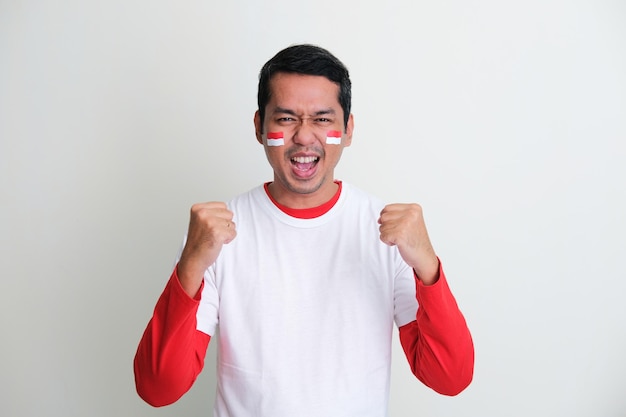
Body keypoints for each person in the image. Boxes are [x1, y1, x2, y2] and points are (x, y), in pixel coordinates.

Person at [134, 44, 474, 416]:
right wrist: (190, 268)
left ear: (348, 130)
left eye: (322, 119)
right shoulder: (216, 235)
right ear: (259, 127)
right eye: (286, 119)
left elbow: (449, 377)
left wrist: (428, 268)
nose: (304, 137)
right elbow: (158, 388)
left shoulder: (389, 233)